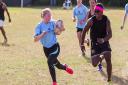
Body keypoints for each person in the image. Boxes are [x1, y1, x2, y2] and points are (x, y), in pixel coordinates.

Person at [34, 8, 73, 85]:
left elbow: (62, 29)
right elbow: (35, 39)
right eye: (48, 15)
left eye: (51, 15)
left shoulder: (53, 22)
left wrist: (60, 28)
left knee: (49, 62)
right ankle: (65, 67)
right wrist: (42, 34)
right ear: (44, 16)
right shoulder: (39, 26)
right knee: (57, 65)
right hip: (46, 49)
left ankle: (54, 82)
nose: (50, 17)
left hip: (55, 47)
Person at [81, 3, 112, 83]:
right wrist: (82, 44)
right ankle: (101, 56)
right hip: (94, 43)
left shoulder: (106, 20)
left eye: (98, 11)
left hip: (104, 41)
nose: (96, 13)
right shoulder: (91, 20)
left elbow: (110, 34)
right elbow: (84, 31)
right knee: (94, 64)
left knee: (108, 57)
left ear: (102, 12)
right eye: (95, 11)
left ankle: (109, 79)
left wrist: (104, 40)